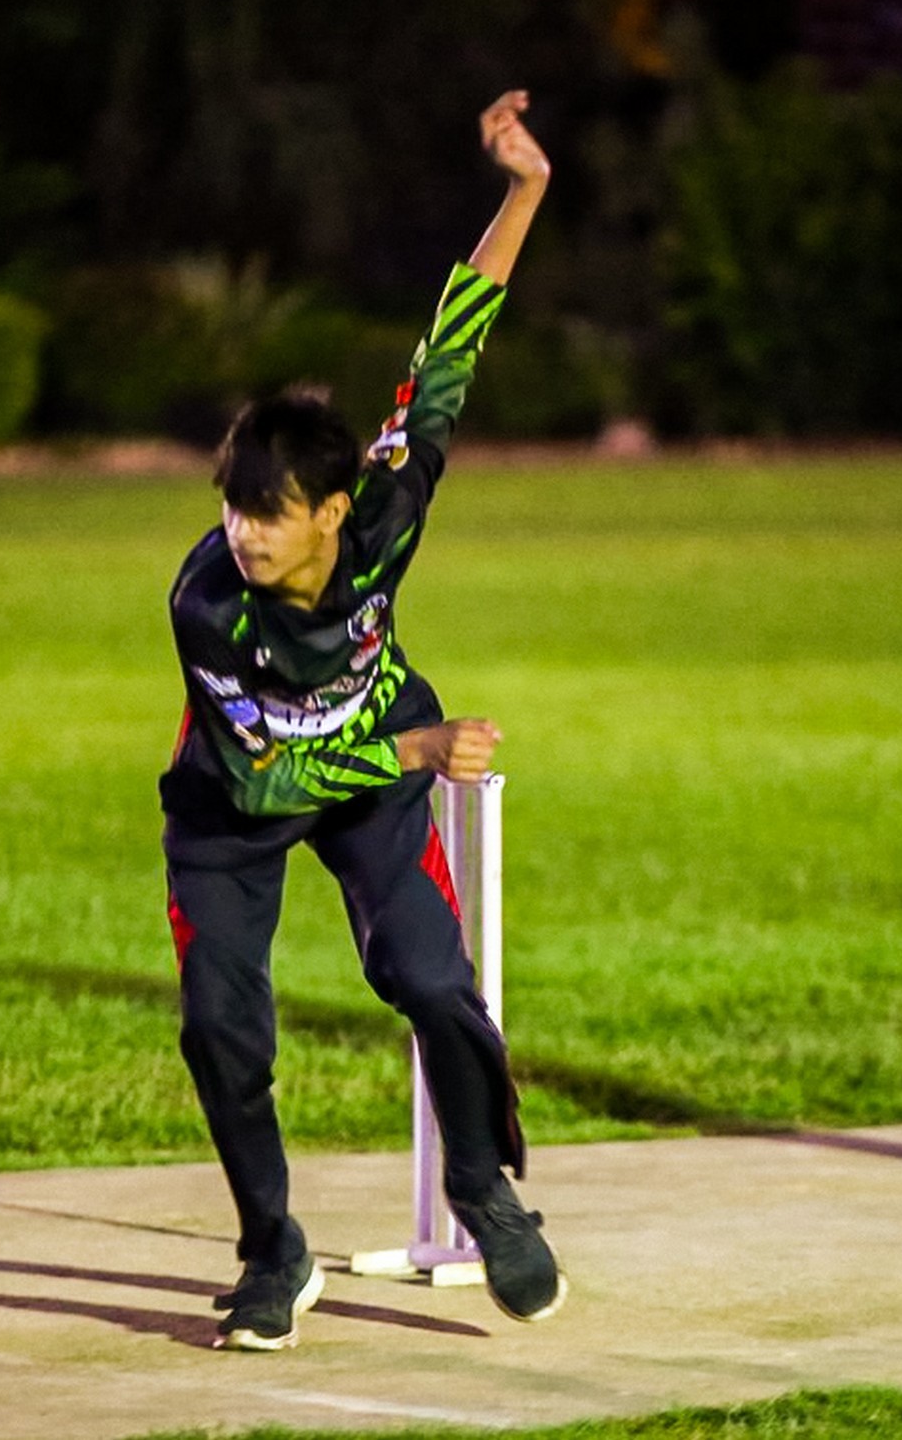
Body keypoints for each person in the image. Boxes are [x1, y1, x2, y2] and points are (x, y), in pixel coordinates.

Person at [159, 90, 564, 1351]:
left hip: (374, 767)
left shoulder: (383, 505)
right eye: (233, 506)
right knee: (221, 1024)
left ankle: (482, 1188)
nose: (243, 531)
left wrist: (523, 190)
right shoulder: (207, 603)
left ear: (332, 513)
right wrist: (417, 750)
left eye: (269, 512)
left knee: (433, 979)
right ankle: (272, 1249)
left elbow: (450, 351)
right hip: (236, 793)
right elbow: (266, 779)